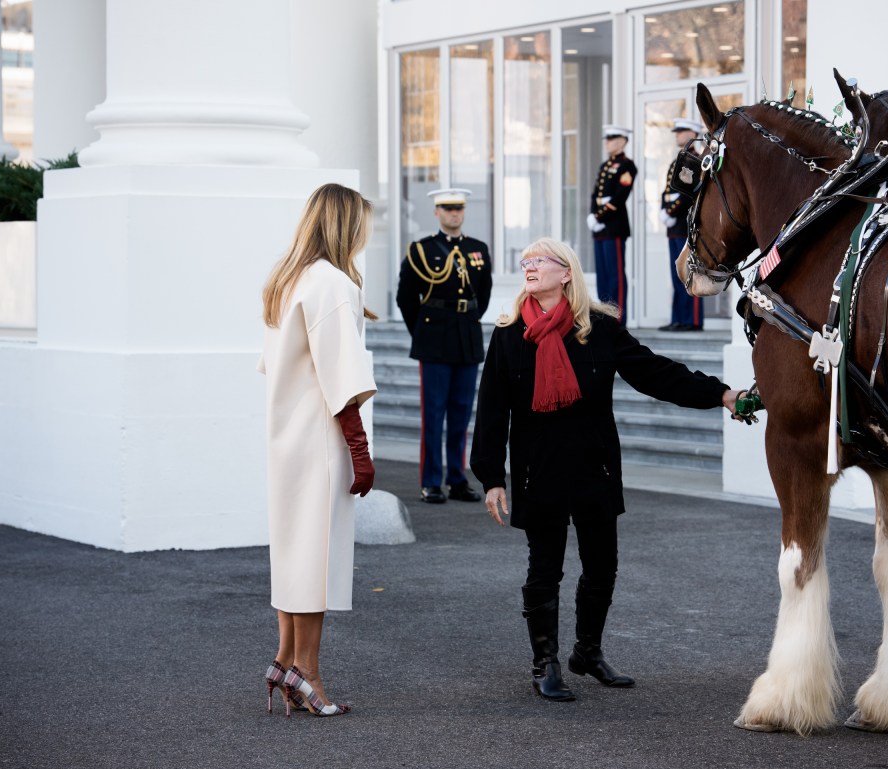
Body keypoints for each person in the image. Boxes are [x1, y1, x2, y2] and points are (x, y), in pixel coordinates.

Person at [470, 237, 739, 702]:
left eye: (540, 261)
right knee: (544, 570)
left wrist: (720, 394)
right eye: (525, 262)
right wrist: (492, 476)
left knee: (601, 568)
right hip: (540, 470)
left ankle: (587, 652)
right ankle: (545, 662)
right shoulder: (510, 333)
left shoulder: (599, 328)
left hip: (593, 466)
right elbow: (492, 410)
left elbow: (655, 372)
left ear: (566, 272)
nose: (528, 268)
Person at [258, 183, 378, 718]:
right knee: (317, 559)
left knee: (293, 554)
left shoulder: (288, 279)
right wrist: (360, 448)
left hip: (286, 433)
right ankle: (307, 673)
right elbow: (341, 376)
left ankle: (284, 661)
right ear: (346, 225)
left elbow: (275, 366)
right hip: (321, 437)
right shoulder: (331, 282)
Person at [397, 188, 493, 504]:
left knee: (462, 414)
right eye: (448, 209)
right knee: (434, 414)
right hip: (434, 338)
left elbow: (484, 293)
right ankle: (431, 482)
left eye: (459, 209)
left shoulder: (478, 249)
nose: (454, 214)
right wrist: (421, 333)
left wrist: (469, 318)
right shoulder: (421, 250)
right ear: (437, 212)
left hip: (466, 337)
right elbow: (406, 298)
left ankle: (457, 478)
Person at [587, 125, 638, 326]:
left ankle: (617, 317)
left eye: (612, 138)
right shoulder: (605, 165)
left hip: (613, 226)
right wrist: (592, 215)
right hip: (599, 228)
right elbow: (595, 194)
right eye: (607, 138)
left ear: (623, 141)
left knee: (615, 274)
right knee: (603, 274)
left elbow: (619, 197)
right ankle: (604, 315)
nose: (607, 142)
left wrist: (599, 217)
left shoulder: (627, 166)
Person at [659, 118, 706, 332]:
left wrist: (670, 212)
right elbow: (668, 191)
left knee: (689, 272)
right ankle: (678, 317)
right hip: (673, 226)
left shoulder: (694, 160)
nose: (677, 135)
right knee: (676, 273)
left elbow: (688, 194)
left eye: (681, 131)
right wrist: (663, 209)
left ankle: (693, 319)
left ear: (692, 133)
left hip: (685, 223)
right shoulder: (678, 160)